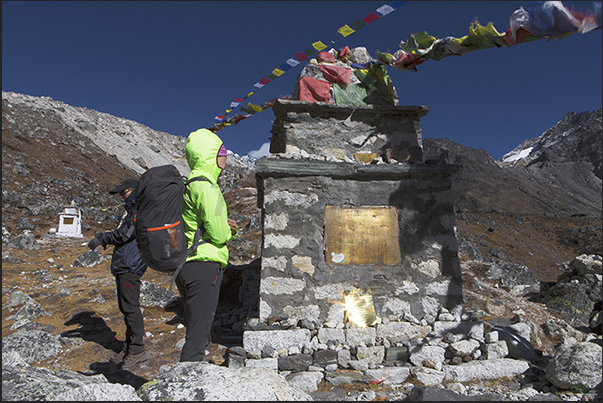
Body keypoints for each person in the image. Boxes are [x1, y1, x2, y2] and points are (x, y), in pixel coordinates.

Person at [177, 128, 238, 362]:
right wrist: (230, 230)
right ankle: (187, 384)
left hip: (188, 263)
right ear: (211, 155)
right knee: (198, 335)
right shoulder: (206, 185)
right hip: (205, 264)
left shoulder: (191, 182)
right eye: (222, 152)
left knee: (196, 325)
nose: (226, 158)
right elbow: (220, 234)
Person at [87, 178, 149, 369]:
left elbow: (124, 234)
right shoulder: (132, 210)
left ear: (135, 190)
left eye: (125, 191)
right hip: (126, 263)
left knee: (130, 308)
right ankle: (130, 345)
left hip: (131, 264)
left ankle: (138, 348)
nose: (122, 195)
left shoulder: (138, 209)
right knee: (126, 307)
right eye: (121, 193)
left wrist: (102, 238)